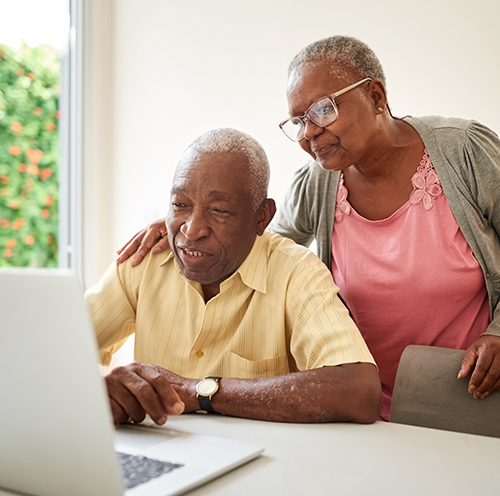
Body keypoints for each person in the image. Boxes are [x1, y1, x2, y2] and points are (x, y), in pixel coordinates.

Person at [117, 36, 500, 422]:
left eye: (323, 109)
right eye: (299, 121)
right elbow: (260, 247)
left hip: (465, 393)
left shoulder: (463, 152)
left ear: (377, 96)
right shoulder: (319, 182)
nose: (308, 133)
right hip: (357, 406)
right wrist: (187, 222)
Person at [86, 127, 381, 426]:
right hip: (159, 456)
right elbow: (51, 353)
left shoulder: (296, 273)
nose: (192, 229)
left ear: (261, 217)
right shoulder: (144, 261)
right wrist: (107, 385)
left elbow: (359, 391)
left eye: (219, 210)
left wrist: (197, 391)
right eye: (180, 205)